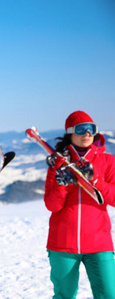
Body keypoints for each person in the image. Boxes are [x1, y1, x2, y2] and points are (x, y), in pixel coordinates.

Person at [44, 110, 115, 298]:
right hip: (62, 244)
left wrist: (96, 180)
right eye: (81, 129)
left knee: (108, 294)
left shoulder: (107, 161)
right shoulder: (59, 163)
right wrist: (62, 184)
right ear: (70, 133)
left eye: (92, 129)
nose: (87, 134)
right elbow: (52, 206)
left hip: (99, 243)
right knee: (64, 295)